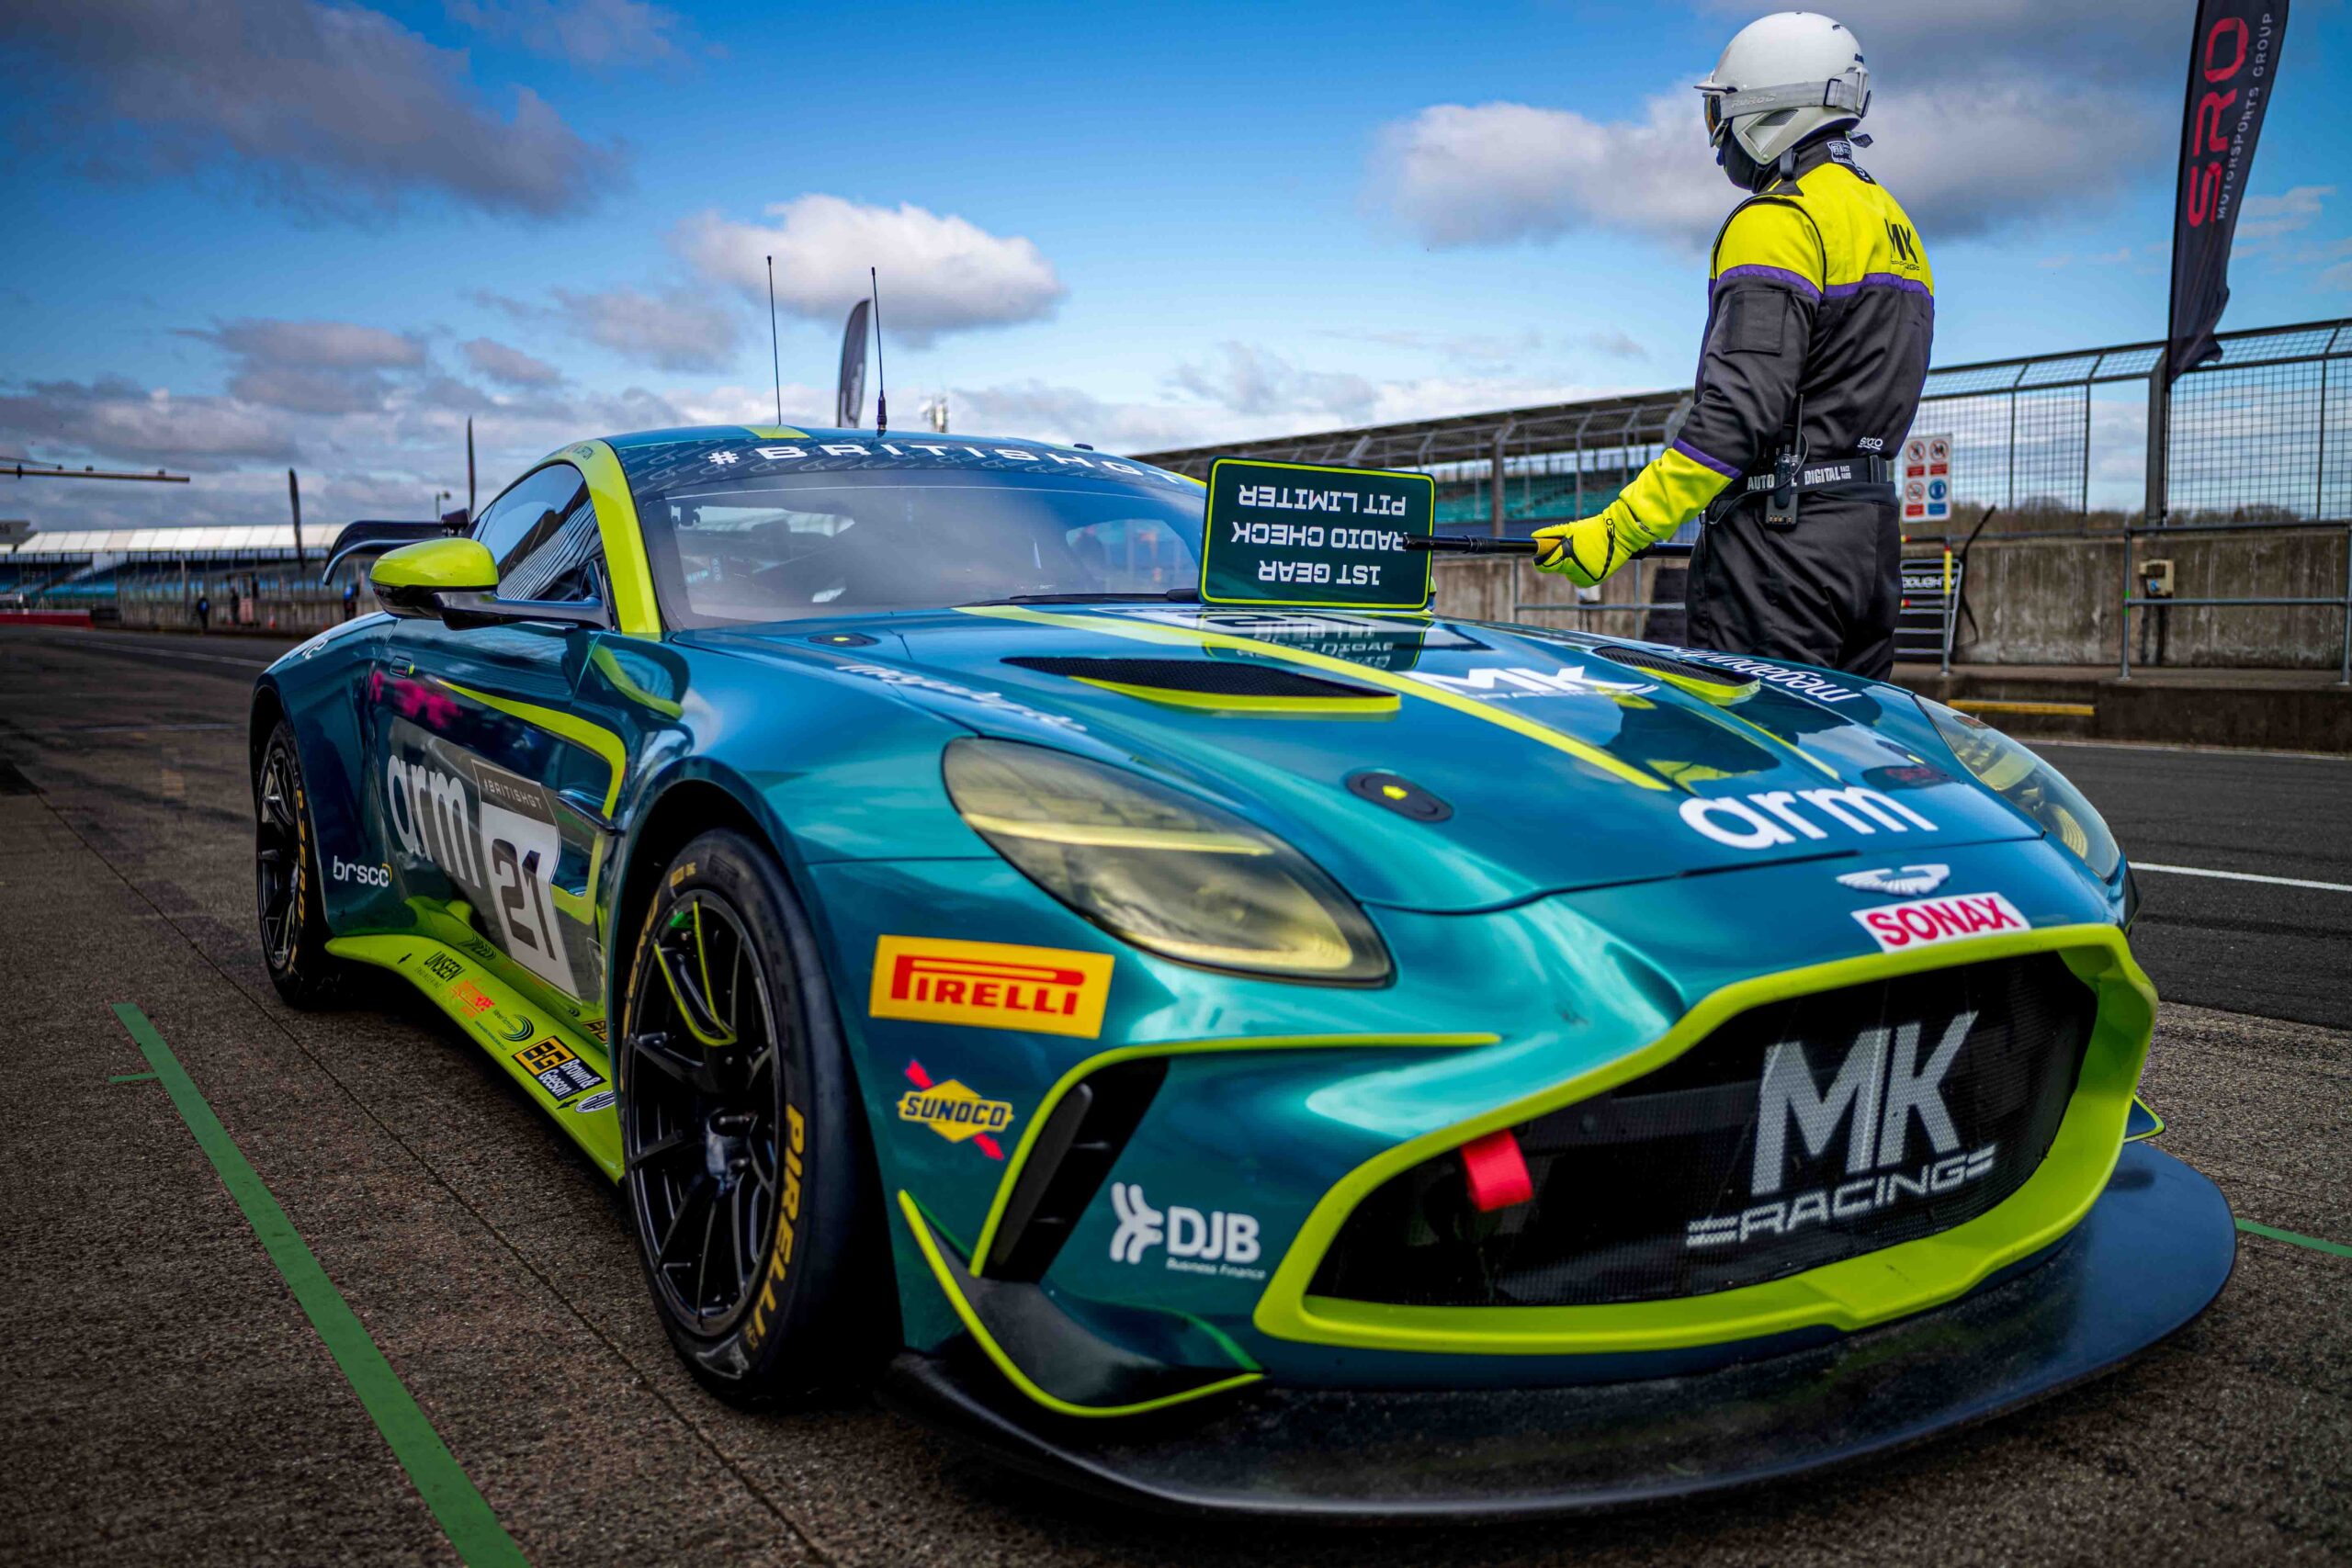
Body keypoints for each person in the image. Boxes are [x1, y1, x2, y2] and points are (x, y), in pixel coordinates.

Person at [1532, 11, 1933, 680]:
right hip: (1867, 540)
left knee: (1747, 741)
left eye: (1723, 110)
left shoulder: (1779, 220)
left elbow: (1736, 415)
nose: (1718, 136)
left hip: (1781, 551)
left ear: (1769, 105)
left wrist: (1618, 529)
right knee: (1848, 738)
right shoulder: (1894, 225)